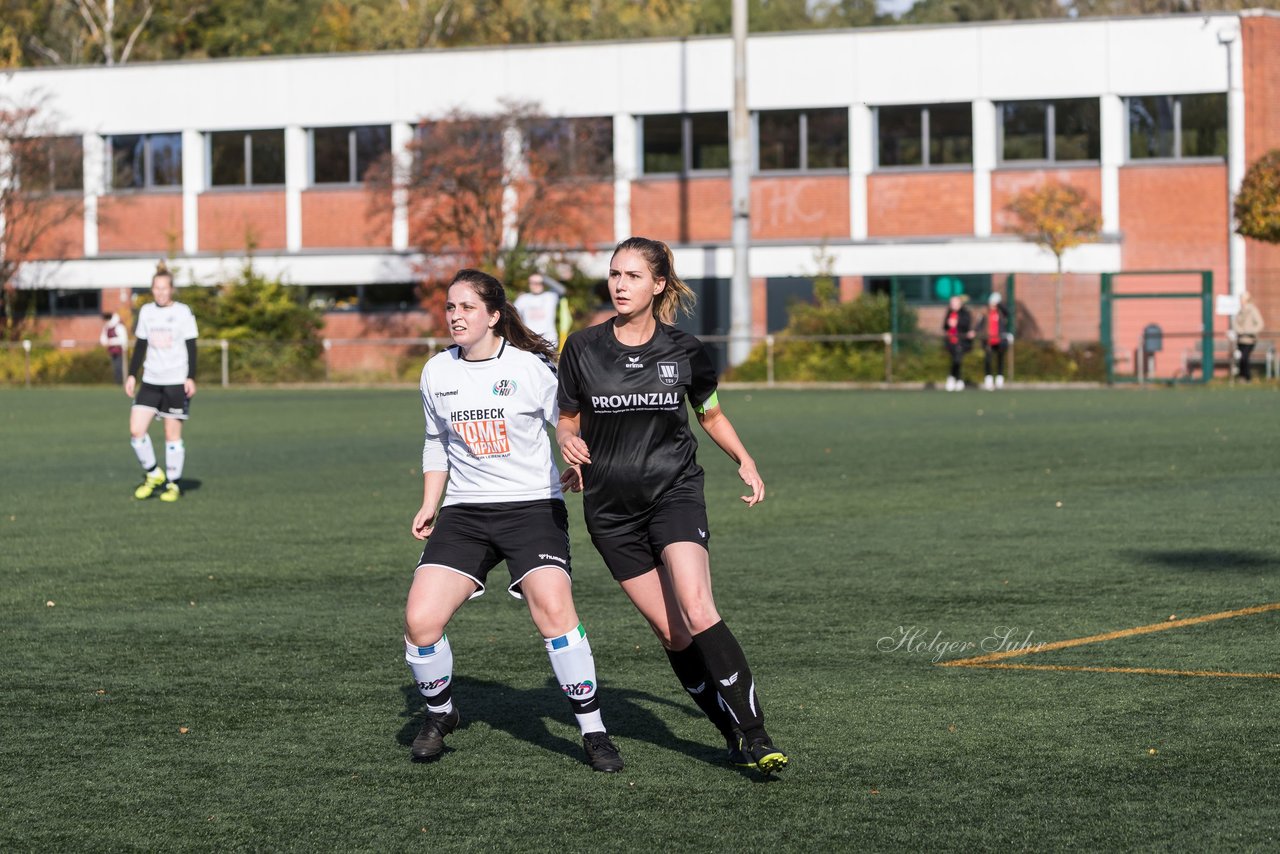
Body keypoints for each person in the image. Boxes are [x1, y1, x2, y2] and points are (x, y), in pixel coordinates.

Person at [555, 236, 788, 776]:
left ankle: (756, 734)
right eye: (614, 274)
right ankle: (729, 730)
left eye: (633, 276)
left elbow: (709, 413)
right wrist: (568, 440)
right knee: (673, 634)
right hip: (610, 511)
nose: (619, 284)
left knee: (698, 606)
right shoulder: (582, 348)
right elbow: (568, 415)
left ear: (658, 284)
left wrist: (744, 460)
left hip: (674, 491)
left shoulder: (685, 349)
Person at [404, 268, 623, 773]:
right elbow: (436, 441)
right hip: (465, 512)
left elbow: (571, 421)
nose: (455, 316)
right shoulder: (436, 371)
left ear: (494, 316)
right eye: (450, 308)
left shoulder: (530, 369)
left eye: (467, 308)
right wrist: (429, 502)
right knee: (421, 620)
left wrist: (575, 457)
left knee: (553, 608)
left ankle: (593, 731)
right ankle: (441, 714)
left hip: (531, 508)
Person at [125, 265, 198, 502]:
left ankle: (173, 484)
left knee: (171, 435)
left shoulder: (183, 312)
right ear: (152, 289)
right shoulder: (146, 312)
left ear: (172, 289)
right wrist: (132, 375)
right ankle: (154, 473)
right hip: (151, 380)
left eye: (164, 288)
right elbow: (141, 345)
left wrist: (191, 377)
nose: (160, 292)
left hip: (175, 381)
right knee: (136, 430)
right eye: (156, 288)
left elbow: (191, 346)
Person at [514, 272, 569, 349]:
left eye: (538, 282)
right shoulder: (523, 298)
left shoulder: (550, 296)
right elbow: (513, 315)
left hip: (549, 341)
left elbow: (562, 289)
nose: (535, 285)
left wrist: (544, 278)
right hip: (529, 341)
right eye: (532, 282)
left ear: (543, 283)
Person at [974, 292, 1011, 391]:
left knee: (1000, 359)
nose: (993, 305)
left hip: (999, 340)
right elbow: (979, 325)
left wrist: (999, 303)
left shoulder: (1001, 313)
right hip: (988, 341)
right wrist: (975, 332)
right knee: (988, 360)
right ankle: (988, 379)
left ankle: (999, 379)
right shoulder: (985, 313)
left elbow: (1008, 312)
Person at [942, 294, 973, 391]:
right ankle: (957, 379)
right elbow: (945, 326)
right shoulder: (949, 313)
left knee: (957, 359)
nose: (953, 304)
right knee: (955, 359)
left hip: (961, 341)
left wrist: (957, 323)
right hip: (951, 341)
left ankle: (953, 378)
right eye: (952, 303)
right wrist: (948, 324)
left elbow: (967, 325)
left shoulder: (965, 313)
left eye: (955, 302)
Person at [1233, 291, 1264, 382]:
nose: (1241, 300)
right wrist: (1239, 330)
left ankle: (1247, 376)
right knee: (1243, 357)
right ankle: (1242, 376)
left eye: (1242, 299)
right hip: (1241, 339)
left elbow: (1260, 324)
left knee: (1245, 357)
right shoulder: (1240, 311)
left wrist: (1250, 331)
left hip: (1250, 339)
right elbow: (1235, 323)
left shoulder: (1253, 310)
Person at [100, 312, 127, 385]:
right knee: (115, 368)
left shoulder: (119, 327)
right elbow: (103, 340)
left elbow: (123, 340)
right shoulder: (107, 327)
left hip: (119, 351)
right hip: (112, 351)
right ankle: (117, 382)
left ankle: (120, 383)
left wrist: (111, 341)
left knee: (119, 367)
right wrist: (108, 342)